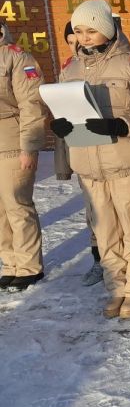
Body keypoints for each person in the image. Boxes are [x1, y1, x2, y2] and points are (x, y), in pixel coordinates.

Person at [50, 0, 130, 318]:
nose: (84, 37)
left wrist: (120, 124)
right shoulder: (69, 69)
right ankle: (117, 287)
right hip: (88, 165)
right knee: (105, 233)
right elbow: (66, 109)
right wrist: (61, 125)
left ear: (107, 30)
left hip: (124, 162)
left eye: (91, 30)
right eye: (79, 31)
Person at [54, 21, 103, 286]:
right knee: (93, 211)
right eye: (72, 42)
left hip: (109, 145)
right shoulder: (68, 70)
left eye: (81, 39)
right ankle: (99, 260)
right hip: (82, 148)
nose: (78, 45)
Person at [0, 21, 46, 292]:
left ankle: (29, 267)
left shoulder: (17, 58)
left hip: (11, 141)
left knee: (17, 204)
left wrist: (29, 147)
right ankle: (10, 264)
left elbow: (31, 104)